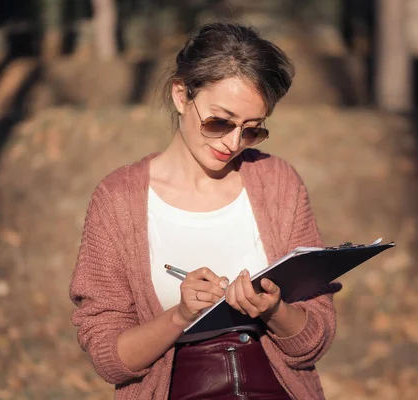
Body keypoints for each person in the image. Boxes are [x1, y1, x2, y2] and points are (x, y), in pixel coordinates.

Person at [69, 22, 341, 400]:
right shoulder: (117, 200)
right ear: (181, 94)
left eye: (251, 130)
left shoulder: (279, 183)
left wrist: (274, 309)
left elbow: (315, 340)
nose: (232, 143)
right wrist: (179, 316)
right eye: (220, 121)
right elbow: (108, 358)